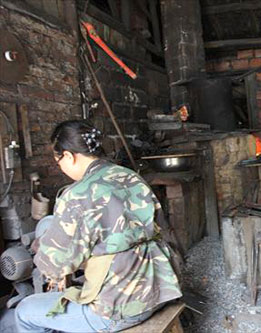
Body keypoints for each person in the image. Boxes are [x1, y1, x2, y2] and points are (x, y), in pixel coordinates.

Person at [15, 120, 182, 332]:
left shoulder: (77, 194)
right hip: (162, 288)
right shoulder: (130, 176)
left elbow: (54, 265)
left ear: (68, 156)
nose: (62, 168)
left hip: (124, 307)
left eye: (59, 162)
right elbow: (155, 228)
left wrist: (39, 246)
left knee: (25, 310)